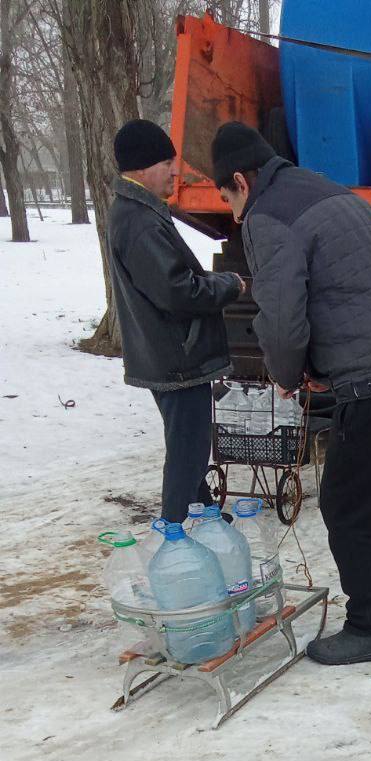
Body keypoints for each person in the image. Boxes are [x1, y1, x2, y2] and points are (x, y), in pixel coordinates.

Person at [212, 122, 371, 666]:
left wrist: (289, 374)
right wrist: (320, 363)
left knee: (345, 503)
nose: (231, 212)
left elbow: (283, 318)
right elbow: (349, 288)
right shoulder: (332, 191)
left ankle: (368, 624)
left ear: (241, 181)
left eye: (227, 197)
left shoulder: (267, 218)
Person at [107, 120, 244, 524]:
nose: (174, 171)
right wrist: (227, 286)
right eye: (167, 162)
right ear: (142, 167)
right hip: (177, 359)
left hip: (171, 354)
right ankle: (175, 535)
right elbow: (177, 292)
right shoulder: (139, 221)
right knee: (187, 449)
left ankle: (204, 516)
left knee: (190, 445)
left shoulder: (140, 213)